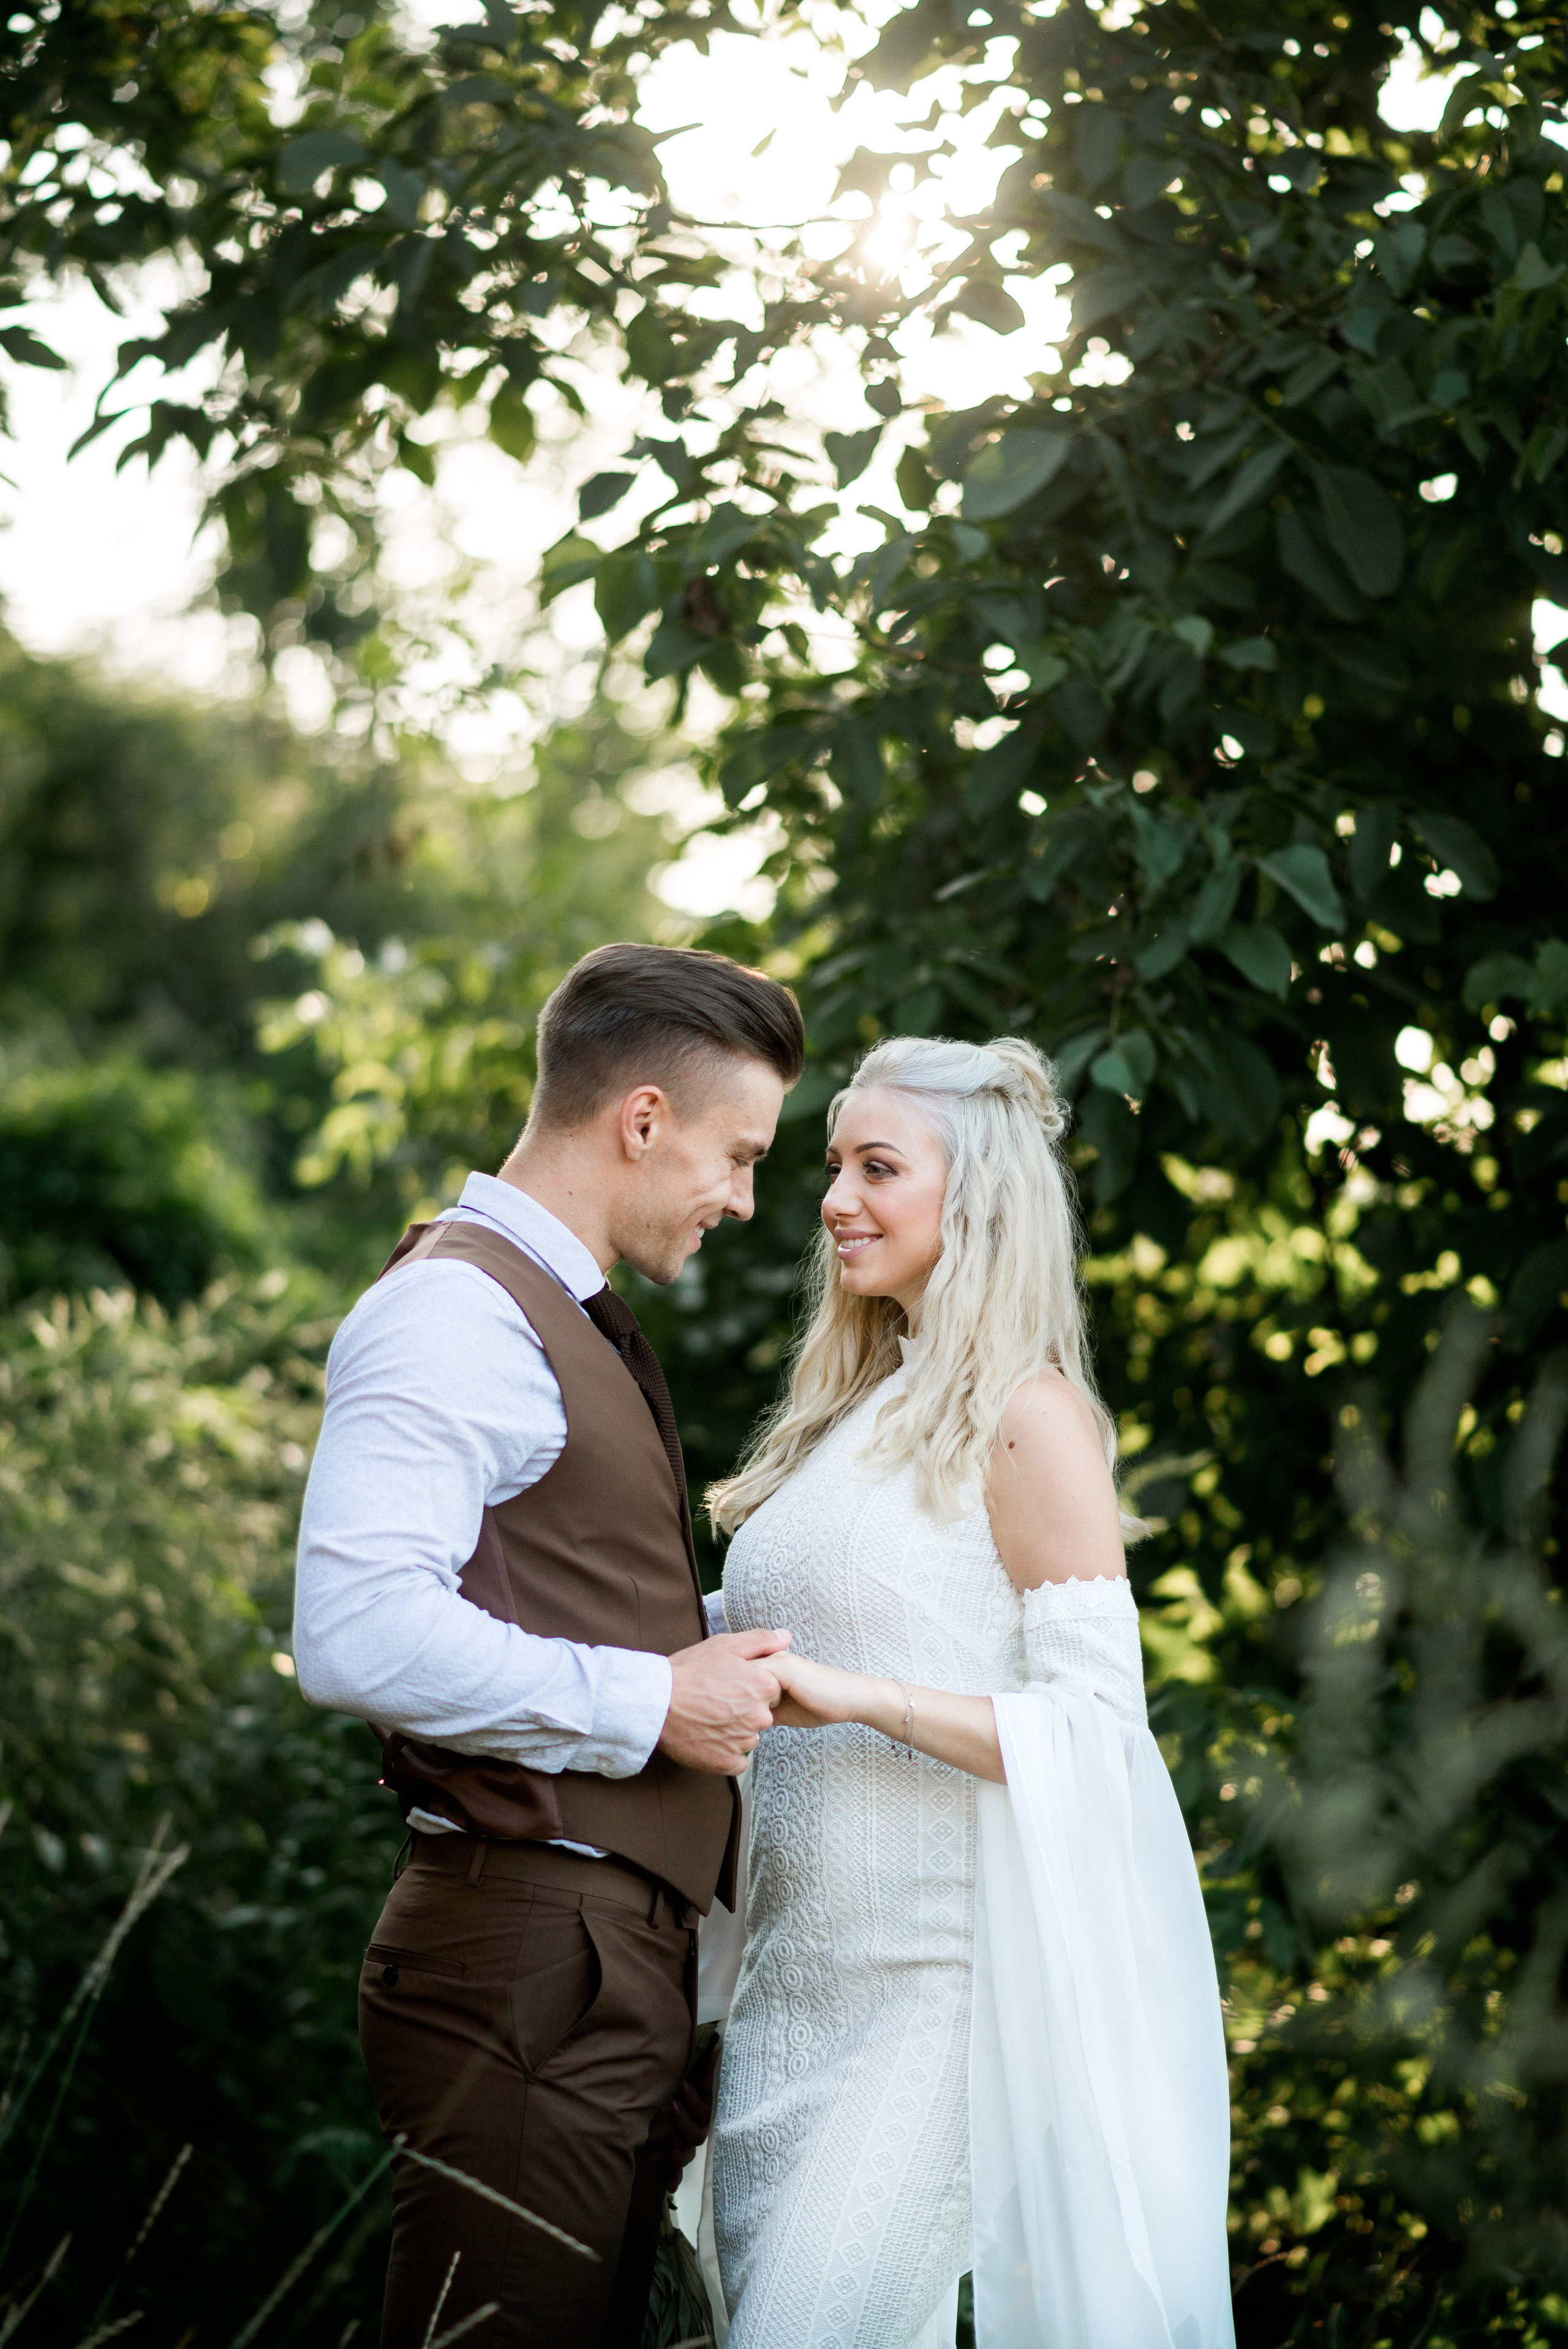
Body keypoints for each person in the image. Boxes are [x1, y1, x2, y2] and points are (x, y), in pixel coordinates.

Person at [292, 942, 804, 2349]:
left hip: (589, 1955)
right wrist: (653, 1701)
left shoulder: (551, 1315)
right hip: (529, 1947)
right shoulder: (455, 1311)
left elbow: (551, 1598)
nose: (745, 1201)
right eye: (738, 1156)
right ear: (641, 1119)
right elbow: (353, 1633)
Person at [703, 1034, 1235, 2349]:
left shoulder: (1028, 1416)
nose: (832, 1199)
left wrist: (857, 1696)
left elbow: (1098, 1734)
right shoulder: (846, 1416)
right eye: (833, 1166)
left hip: (929, 2021)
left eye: (876, 1167)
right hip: (781, 2009)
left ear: (977, 1197)